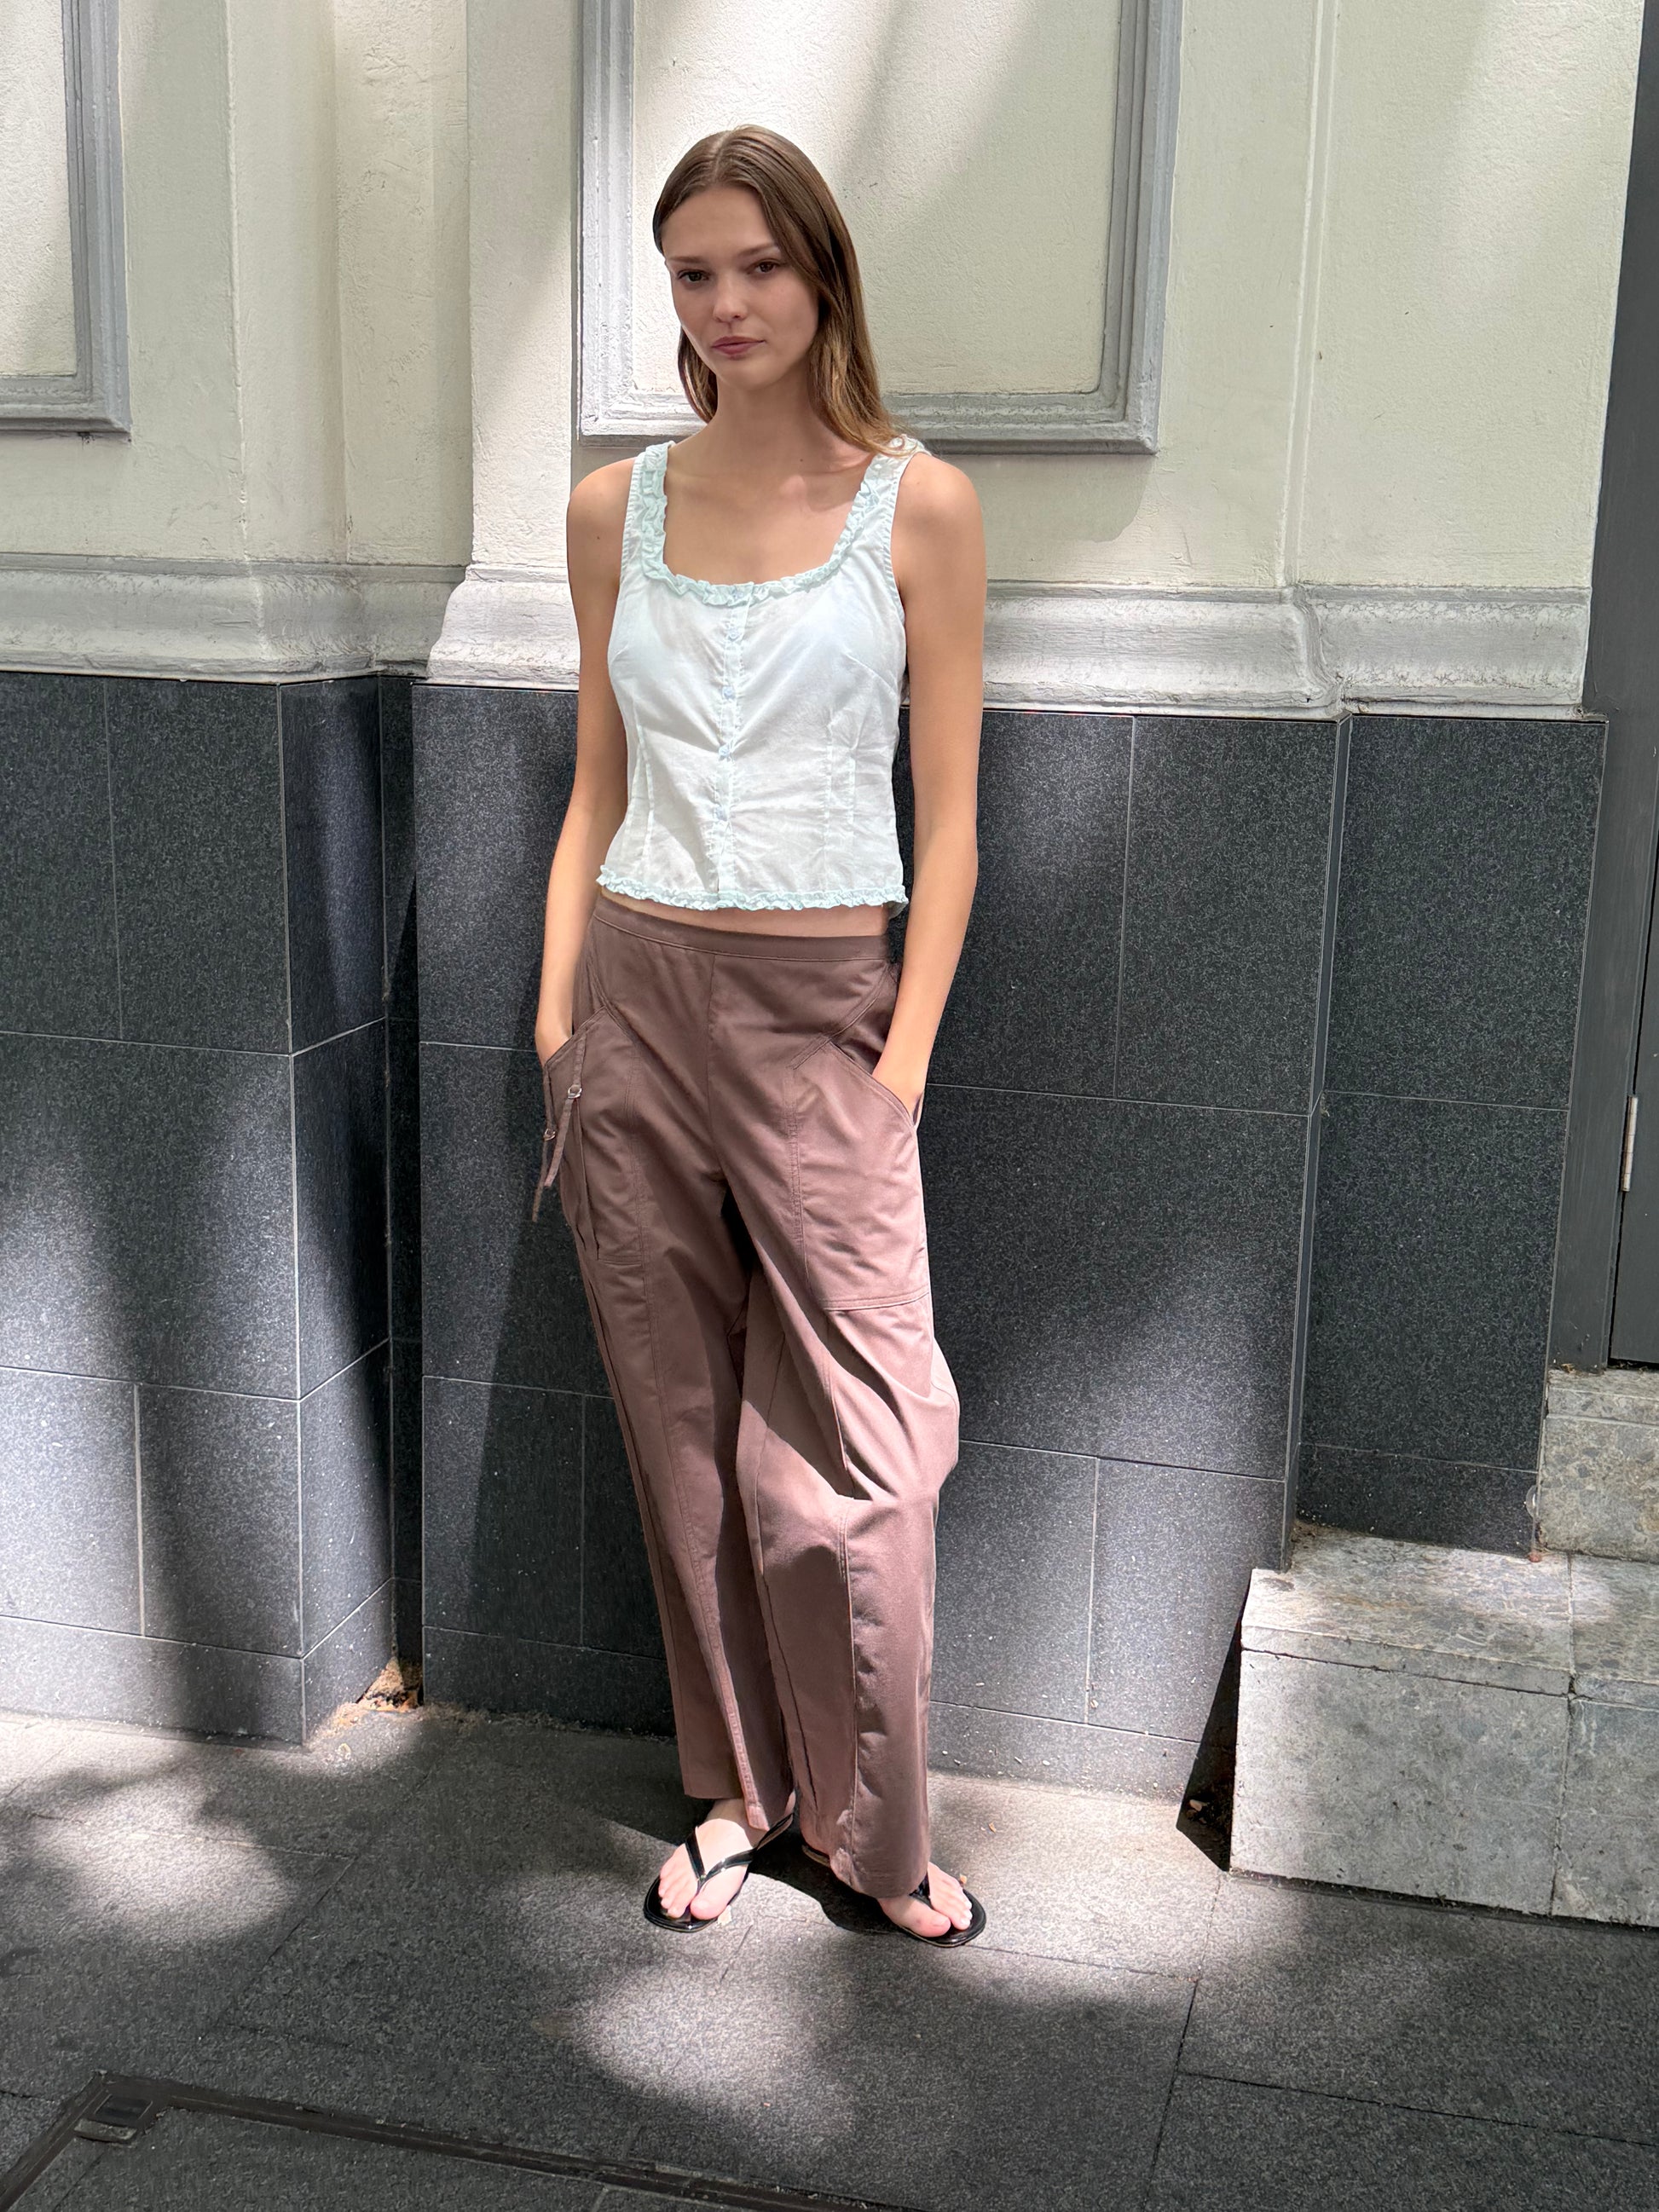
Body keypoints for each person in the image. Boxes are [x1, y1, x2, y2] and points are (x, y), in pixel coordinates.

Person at [533, 124, 986, 1945]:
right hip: (633, 998)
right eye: (692, 274)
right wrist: (562, 1018)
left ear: (821, 277)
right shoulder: (608, 510)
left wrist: (900, 1072)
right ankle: (738, 1791)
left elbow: (949, 819)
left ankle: (873, 1835)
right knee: (680, 1425)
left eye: (756, 268)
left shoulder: (918, 505)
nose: (725, 305)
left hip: (826, 1016)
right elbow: (592, 786)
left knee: (862, 1451)